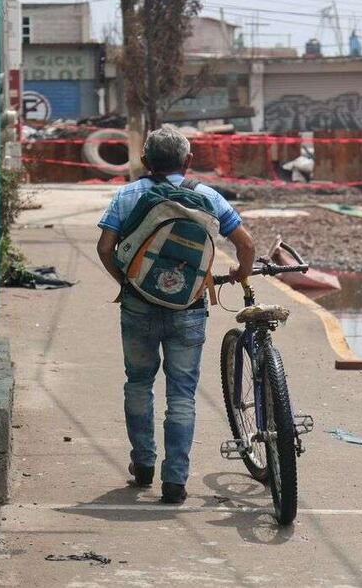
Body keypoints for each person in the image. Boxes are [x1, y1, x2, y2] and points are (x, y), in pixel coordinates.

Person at [95, 126, 255, 504]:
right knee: (182, 393)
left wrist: (128, 281)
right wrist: (239, 274)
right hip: (189, 307)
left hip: (137, 305)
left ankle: (143, 465)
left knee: (138, 383)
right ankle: (175, 482)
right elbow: (245, 245)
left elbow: (105, 247)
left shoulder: (128, 195)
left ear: (146, 162)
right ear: (188, 161)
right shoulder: (207, 196)